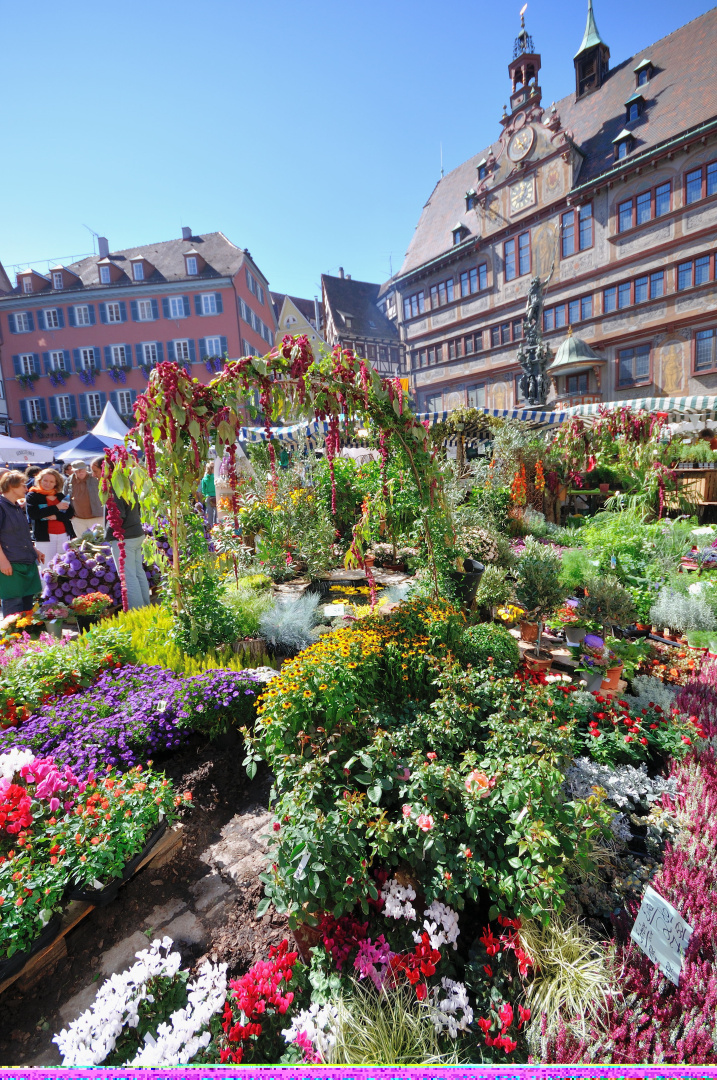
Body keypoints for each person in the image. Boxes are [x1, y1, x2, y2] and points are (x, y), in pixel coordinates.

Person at [91, 457, 150, 610]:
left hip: (125, 537)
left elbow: (118, 515)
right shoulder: (127, 481)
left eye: (95, 471)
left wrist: (108, 536)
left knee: (129, 577)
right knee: (137, 573)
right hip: (136, 533)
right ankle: (146, 609)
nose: (93, 475)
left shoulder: (114, 485)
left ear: (105, 469)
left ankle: (138, 613)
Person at [0, 471, 45, 617]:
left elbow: (20, 534)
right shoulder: (1, 506)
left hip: (26, 559)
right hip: (11, 563)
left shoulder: (16, 507)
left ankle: (24, 639)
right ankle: (10, 640)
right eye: (23, 485)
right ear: (12, 486)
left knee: (27, 604)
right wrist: (3, 561)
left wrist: (34, 549)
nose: (26, 488)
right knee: (14, 603)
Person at [26, 468, 76, 564]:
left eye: (51, 481)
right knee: (47, 567)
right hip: (44, 537)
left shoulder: (60, 496)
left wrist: (56, 517)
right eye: (45, 480)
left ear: (56, 483)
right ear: (39, 480)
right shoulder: (32, 496)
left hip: (64, 535)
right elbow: (34, 514)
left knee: (63, 567)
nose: (47, 484)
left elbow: (69, 514)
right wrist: (56, 507)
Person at [64, 460, 104, 535]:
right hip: (78, 519)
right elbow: (65, 498)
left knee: (98, 542)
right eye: (77, 471)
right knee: (82, 543)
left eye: (82, 470)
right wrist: (70, 515)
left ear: (86, 469)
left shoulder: (95, 478)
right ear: (73, 471)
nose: (80, 472)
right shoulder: (69, 481)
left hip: (97, 517)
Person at [200, 461, 217, 529]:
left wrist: (207, 495)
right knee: (216, 514)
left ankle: (210, 528)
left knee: (209, 514)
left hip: (208, 497)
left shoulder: (204, 478)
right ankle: (216, 528)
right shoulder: (216, 477)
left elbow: (203, 490)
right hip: (216, 497)